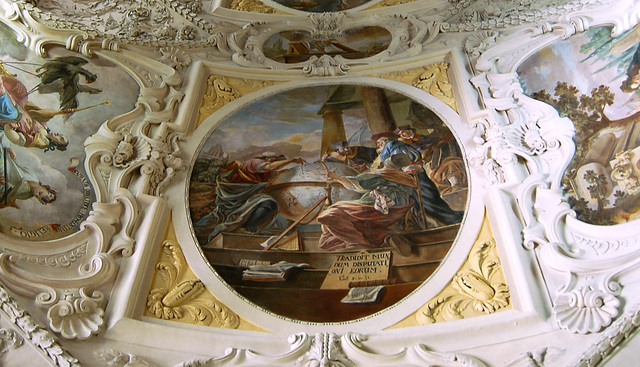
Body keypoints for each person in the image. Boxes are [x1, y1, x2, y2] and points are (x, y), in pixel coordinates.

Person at [317, 153, 417, 256]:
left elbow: (357, 184)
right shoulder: (406, 178)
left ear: (385, 163)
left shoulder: (383, 175)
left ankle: (357, 243)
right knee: (358, 223)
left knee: (329, 214)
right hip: (395, 212)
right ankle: (387, 237)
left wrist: (335, 177)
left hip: (376, 209)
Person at [194, 152, 305, 244]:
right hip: (235, 196)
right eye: (275, 160)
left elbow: (276, 175)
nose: (275, 163)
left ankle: (247, 228)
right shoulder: (255, 163)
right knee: (216, 218)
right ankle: (195, 233)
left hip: (247, 196)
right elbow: (269, 167)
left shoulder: (270, 173)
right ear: (267, 158)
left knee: (268, 203)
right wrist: (292, 160)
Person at [373, 132, 463, 226]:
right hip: (408, 178)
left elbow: (405, 160)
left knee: (428, 201)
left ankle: (452, 219)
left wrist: (405, 169)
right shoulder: (392, 148)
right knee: (425, 202)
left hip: (413, 176)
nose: (378, 145)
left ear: (385, 141)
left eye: (379, 142)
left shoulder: (393, 146)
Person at [0, 75, 70, 152]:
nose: (58, 134)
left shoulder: (42, 142)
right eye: (61, 135)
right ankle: (2, 77)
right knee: (22, 91)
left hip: (13, 119)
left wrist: (9, 128)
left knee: (11, 112)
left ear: (58, 143)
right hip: (20, 110)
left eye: (61, 138)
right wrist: (60, 112)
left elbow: (20, 141)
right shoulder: (44, 128)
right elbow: (43, 114)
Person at [1, 135, 56, 208]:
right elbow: (18, 167)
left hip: (1, 172)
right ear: (45, 187)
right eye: (40, 193)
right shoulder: (33, 177)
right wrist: (13, 157)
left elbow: (5, 193)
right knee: (4, 137)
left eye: (37, 196)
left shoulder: (25, 195)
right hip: (7, 161)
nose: (35, 193)